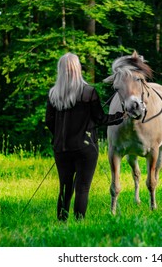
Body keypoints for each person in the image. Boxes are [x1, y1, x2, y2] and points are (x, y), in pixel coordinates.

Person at [45, 53, 124, 221]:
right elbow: (100, 119)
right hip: (85, 148)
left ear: (60, 71)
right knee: (82, 188)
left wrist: (58, 137)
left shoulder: (53, 94)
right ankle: (79, 222)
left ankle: (62, 222)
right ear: (77, 68)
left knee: (64, 188)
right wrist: (120, 116)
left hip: (61, 149)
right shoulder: (88, 92)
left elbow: (49, 122)